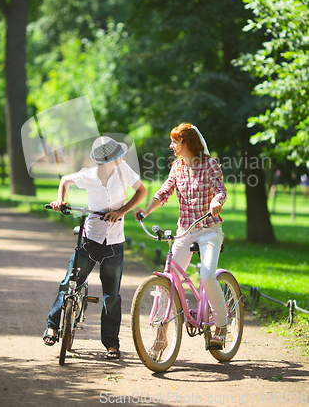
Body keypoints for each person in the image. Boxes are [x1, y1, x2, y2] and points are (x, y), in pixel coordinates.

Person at [43, 136, 147, 359]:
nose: (120, 158)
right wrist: (60, 200)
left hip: (115, 241)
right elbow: (65, 180)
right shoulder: (88, 175)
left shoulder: (124, 170)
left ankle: (111, 343)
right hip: (91, 237)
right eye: (116, 156)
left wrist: (122, 211)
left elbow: (142, 192)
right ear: (105, 160)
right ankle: (52, 325)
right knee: (70, 282)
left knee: (112, 295)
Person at [135, 122, 228, 353]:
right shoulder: (177, 167)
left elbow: (220, 190)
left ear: (188, 143)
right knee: (169, 282)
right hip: (185, 230)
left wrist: (217, 201)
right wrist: (145, 211)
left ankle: (222, 326)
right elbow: (164, 192)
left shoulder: (210, 165)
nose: (171, 146)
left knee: (207, 276)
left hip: (209, 230)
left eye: (175, 141)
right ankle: (161, 336)